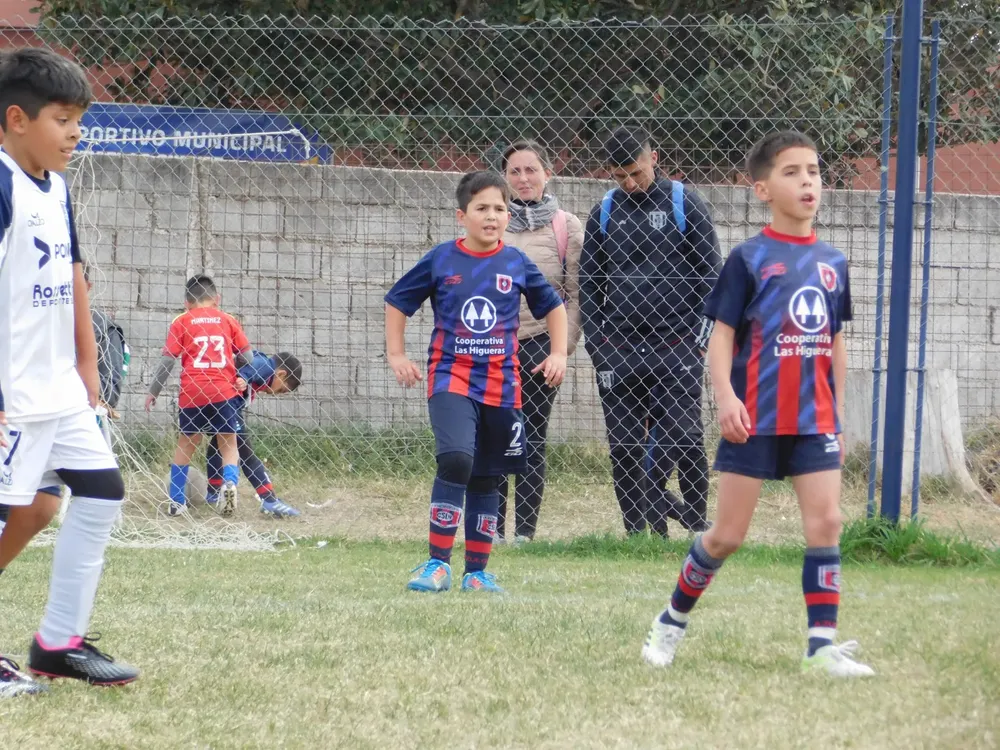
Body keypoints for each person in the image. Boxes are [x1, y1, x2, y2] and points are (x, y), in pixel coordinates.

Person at [641, 130, 874, 677]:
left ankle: (820, 647)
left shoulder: (833, 263)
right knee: (726, 536)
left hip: (813, 418)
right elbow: (721, 336)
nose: (807, 181)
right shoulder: (748, 258)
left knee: (828, 522)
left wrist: (835, 410)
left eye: (813, 171)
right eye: (792, 172)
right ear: (762, 189)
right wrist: (725, 397)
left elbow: (835, 340)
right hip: (755, 418)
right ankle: (671, 621)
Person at [0, 47, 139, 697]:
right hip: (14, 397)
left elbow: (73, 274)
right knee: (17, 513)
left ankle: (57, 643)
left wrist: (88, 364)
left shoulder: (54, 187)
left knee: (98, 492)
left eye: (79, 119)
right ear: (16, 119)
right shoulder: (1, 185)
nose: (75, 133)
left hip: (58, 390)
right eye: (62, 118)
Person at [384, 170, 567, 594]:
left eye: (500, 209)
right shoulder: (442, 259)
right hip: (451, 376)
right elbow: (398, 301)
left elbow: (553, 307)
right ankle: (437, 565)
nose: (492, 216)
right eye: (482, 208)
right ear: (461, 216)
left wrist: (558, 353)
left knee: (488, 475)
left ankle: (477, 573)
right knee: (457, 459)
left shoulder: (516, 262)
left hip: (502, 384)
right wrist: (397, 354)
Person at [579, 126, 721, 537]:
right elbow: (589, 282)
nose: (629, 182)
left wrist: (699, 341)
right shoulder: (604, 211)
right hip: (618, 348)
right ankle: (640, 534)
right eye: (619, 175)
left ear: (653, 159)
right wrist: (597, 343)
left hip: (677, 344)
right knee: (624, 447)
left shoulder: (685, 202)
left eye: (636, 172)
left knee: (684, 436)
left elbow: (711, 274)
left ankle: (696, 523)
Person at [495, 140, 583, 543]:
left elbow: (576, 294)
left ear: (547, 173)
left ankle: (524, 533)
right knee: (491, 436)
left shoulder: (567, 227)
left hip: (540, 345)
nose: (523, 178)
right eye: (515, 171)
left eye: (531, 170)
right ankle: (490, 529)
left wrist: (560, 352)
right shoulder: (492, 221)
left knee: (530, 436)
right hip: (491, 346)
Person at [144, 275, 252, 517]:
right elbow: (248, 357)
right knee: (228, 443)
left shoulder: (182, 321)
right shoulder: (228, 320)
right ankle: (230, 485)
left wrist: (154, 392)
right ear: (217, 299)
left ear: (186, 302)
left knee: (187, 444)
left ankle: (177, 502)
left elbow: (167, 362)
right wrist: (237, 370)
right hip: (223, 390)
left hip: (193, 392)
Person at [204, 350, 303, 518]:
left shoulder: (260, 375)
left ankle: (213, 493)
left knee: (217, 445)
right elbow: (256, 365)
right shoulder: (266, 366)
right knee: (246, 453)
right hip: (226, 407)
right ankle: (269, 499)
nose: (276, 393)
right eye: (281, 390)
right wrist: (243, 377)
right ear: (281, 374)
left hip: (211, 402)